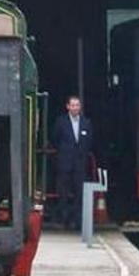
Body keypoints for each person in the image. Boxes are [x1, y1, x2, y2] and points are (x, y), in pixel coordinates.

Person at [51, 96, 93, 230]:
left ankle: (77, 220)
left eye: (77, 105)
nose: (75, 108)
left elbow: (89, 142)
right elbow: (55, 138)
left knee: (80, 193)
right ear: (67, 106)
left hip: (80, 164)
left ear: (80, 107)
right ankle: (63, 219)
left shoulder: (86, 123)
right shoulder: (61, 122)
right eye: (73, 105)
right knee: (62, 192)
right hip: (65, 162)